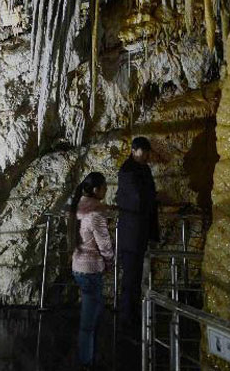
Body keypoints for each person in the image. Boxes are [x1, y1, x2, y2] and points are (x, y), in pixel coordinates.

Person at [70, 171, 114, 370]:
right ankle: (86, 362)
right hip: (90, 268)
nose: (106, 190)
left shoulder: (78, 205)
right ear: (96, 190)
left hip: (77, 265)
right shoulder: (95, 213)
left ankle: (89, 356)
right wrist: (110, 261)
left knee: (92, 315)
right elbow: (104, 243)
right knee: (89, 322)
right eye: (104, 187)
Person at [116, 136, 159, 331]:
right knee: (130, 277)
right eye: (145, 151)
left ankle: (132, 314)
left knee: (136, 276)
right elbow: (137, 199)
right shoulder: (127, 171)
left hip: (140, 231)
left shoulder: (143, 169)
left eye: (148, 151)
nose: (148, 155)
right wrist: (153, 198)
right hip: (132, 232)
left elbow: (147, 195)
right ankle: (126, 318)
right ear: (134, 150)